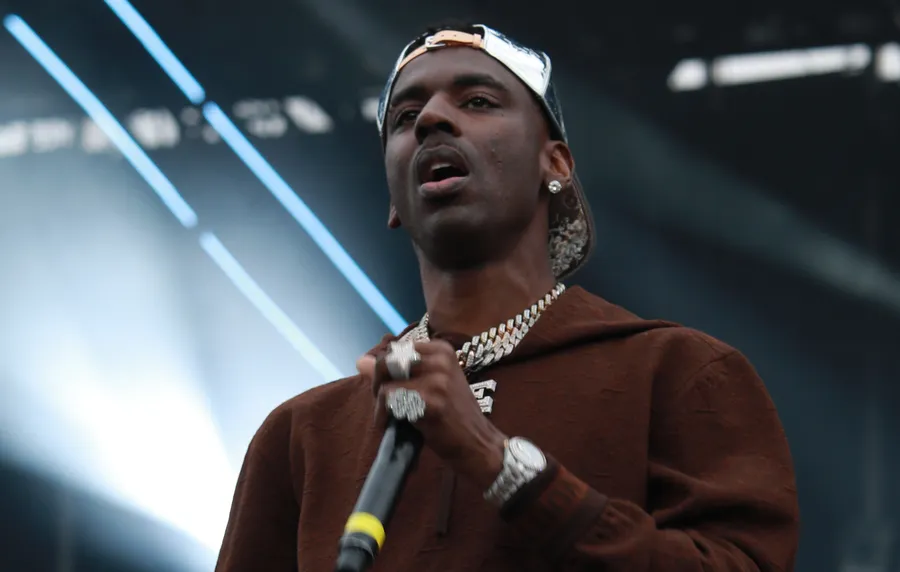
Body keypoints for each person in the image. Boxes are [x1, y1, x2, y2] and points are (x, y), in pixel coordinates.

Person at [215, 22, 800, 572]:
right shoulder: (303, 436)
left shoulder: (680, 373)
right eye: (406, 117)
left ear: (555, 164)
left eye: (477, 101)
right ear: (393, 198)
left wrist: (500, 464)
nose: (431, 120)